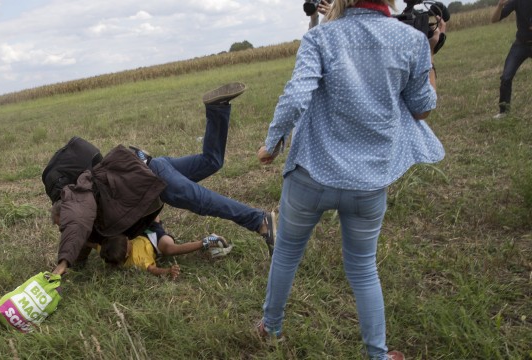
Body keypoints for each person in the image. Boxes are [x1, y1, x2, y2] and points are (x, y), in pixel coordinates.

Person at [255, 0, 446, 358]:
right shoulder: (411, 40)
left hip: (311, 174)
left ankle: (271, 327)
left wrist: (272, 144)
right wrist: (430, 52)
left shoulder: (320, 38)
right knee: (362, 268)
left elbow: (296, 96)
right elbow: (423, 108)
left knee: (287, 253)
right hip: (369, 182)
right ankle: (378, 354)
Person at [51, 83, 276, 276]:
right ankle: (217, 108)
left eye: (61, 223)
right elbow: (81, 237)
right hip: (153, 166)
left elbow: (76, 224)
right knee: (211, 161)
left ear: (64, 209)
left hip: (155, 178)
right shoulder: (92, 210)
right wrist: (74, 264)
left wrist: (61, 264)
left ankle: (259, 221)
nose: (62, 228)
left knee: (200, 201)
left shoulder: (77, 198)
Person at [101, 216, 233, 279]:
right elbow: (153, 269)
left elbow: (93, 244)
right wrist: (168, 271)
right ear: (126, 255)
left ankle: (152, 191)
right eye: (128, 243)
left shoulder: (107, 248)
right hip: (156, 241)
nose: (129, 241)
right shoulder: (137, 260)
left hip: (141, 230)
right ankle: (208, 241)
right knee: (170, 249)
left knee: (146, 210)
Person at [490, 0, 532, 119]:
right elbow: (494, 19)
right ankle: (504, 112)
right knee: (506, 77)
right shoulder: (517, 1)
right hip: (521, 44)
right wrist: (500, 5)